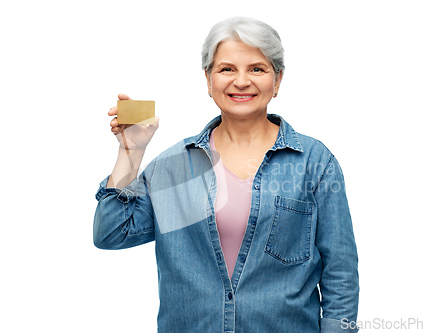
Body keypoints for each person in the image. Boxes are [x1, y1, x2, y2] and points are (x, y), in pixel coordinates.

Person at [94, 16, 359, 333]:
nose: (242, 81)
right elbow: (111, 233)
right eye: (227, 69)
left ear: (277, 81)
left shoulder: (314, 163)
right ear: (208, 79)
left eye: (257, 69)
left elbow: (340, 270)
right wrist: (130, 153)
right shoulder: (175, 166)